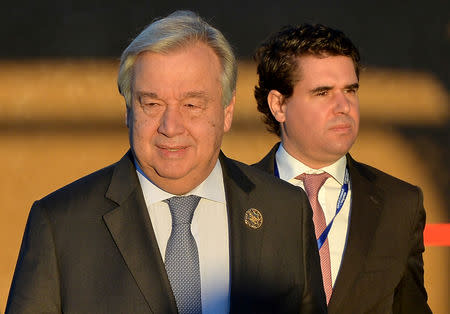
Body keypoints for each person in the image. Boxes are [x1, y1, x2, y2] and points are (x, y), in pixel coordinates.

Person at [6, 11, 327, 314]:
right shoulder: (60, 225)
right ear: (129, 111)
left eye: (192, 104)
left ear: (226, 112)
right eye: (152, 103)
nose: (171, 126)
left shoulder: (287, 212)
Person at [253, 23, 432, 314]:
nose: (343, 106)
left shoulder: (400, 203)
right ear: (279, 105)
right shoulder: (231, 195)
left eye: (350, 90)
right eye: (323, 92)